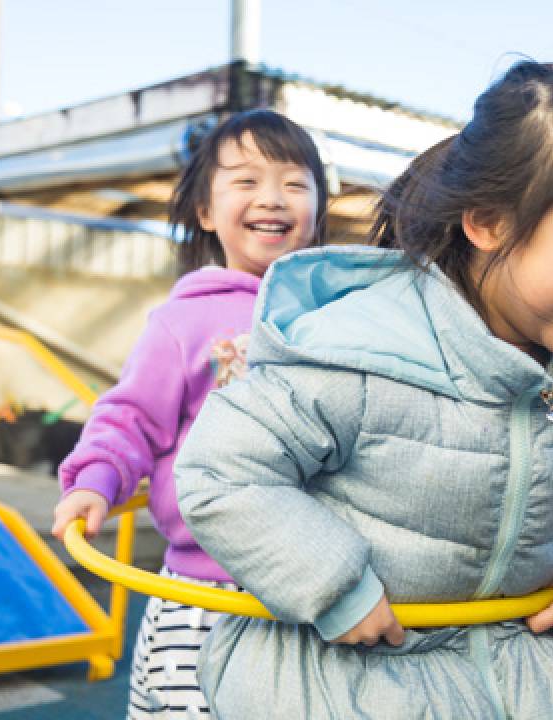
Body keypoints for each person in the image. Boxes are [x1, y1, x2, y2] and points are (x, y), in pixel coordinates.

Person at [174, 60, 553, 719]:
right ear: (490, 223)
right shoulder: (356, 348)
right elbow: (223, 473)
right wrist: (334, 588)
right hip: (348, 680)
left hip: (533, 675)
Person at [51, 109, 328, 719]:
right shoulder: (183, 322)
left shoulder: (331, 322)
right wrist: (97, 481)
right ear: (205, 212)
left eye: (293, 182)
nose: (272, 198)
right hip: (206, 589)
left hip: (315, 588)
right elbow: (130, 419)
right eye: (246, 181)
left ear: (317, 206)